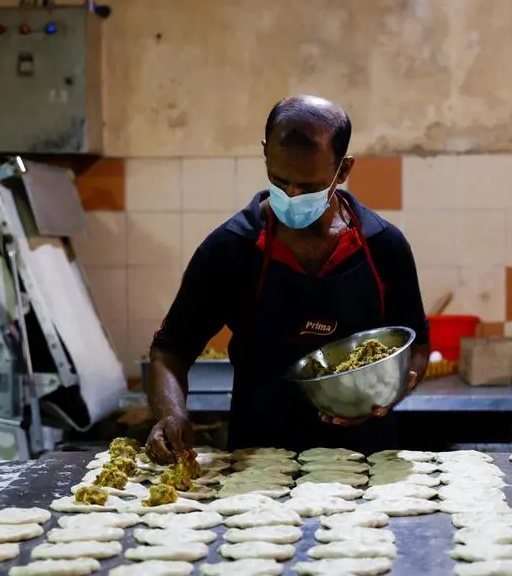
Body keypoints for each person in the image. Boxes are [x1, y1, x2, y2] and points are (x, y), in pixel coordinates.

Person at [145, 95, 429, 462]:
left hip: (365, 461)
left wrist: (395, 390)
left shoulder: (382, 246)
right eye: (280, 182)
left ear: (342, 171)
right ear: (265, 154)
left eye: (308, 187)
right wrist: (171, 414)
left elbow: (417, 343)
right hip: (256, 462)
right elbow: (170, 350)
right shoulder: (231, 249)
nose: (292, 196)